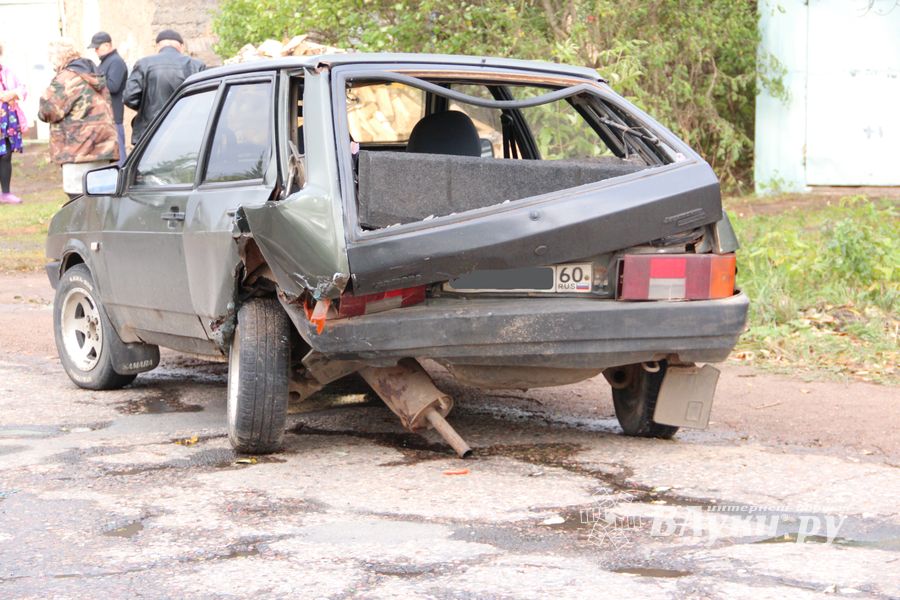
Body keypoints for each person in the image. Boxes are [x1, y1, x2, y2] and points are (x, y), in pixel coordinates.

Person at [38, 38, 118, 200]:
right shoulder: (93, 72)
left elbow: (47, 111)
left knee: (78, 199)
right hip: (103, 147)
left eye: (51, 59)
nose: (52, 65)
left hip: (78, 149)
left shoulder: (67, 78)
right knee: (99, 198)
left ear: (58, 57)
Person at [123, 29, 205, 144]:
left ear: (157, 46)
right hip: (188, 131)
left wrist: (147, 108)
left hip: (151, 131)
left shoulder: (144, 64)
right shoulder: (196, 65)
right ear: (181, 46)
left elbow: (129, 97)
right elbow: (204, 100)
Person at [88, 31, 128, 166]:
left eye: (97, 47)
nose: (95, 51)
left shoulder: (116, 62)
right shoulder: (106, 62)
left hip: (113, 117)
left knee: (119, 159)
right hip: (106, 118)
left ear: (106, 45)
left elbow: (113, 86)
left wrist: (91, 81)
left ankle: (122, 185)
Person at [0, 42, 29, 205]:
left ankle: (5, 193)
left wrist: (12, 93)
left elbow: (23, 89)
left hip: (8, 120)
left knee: (6, 155)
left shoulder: (7, 71)